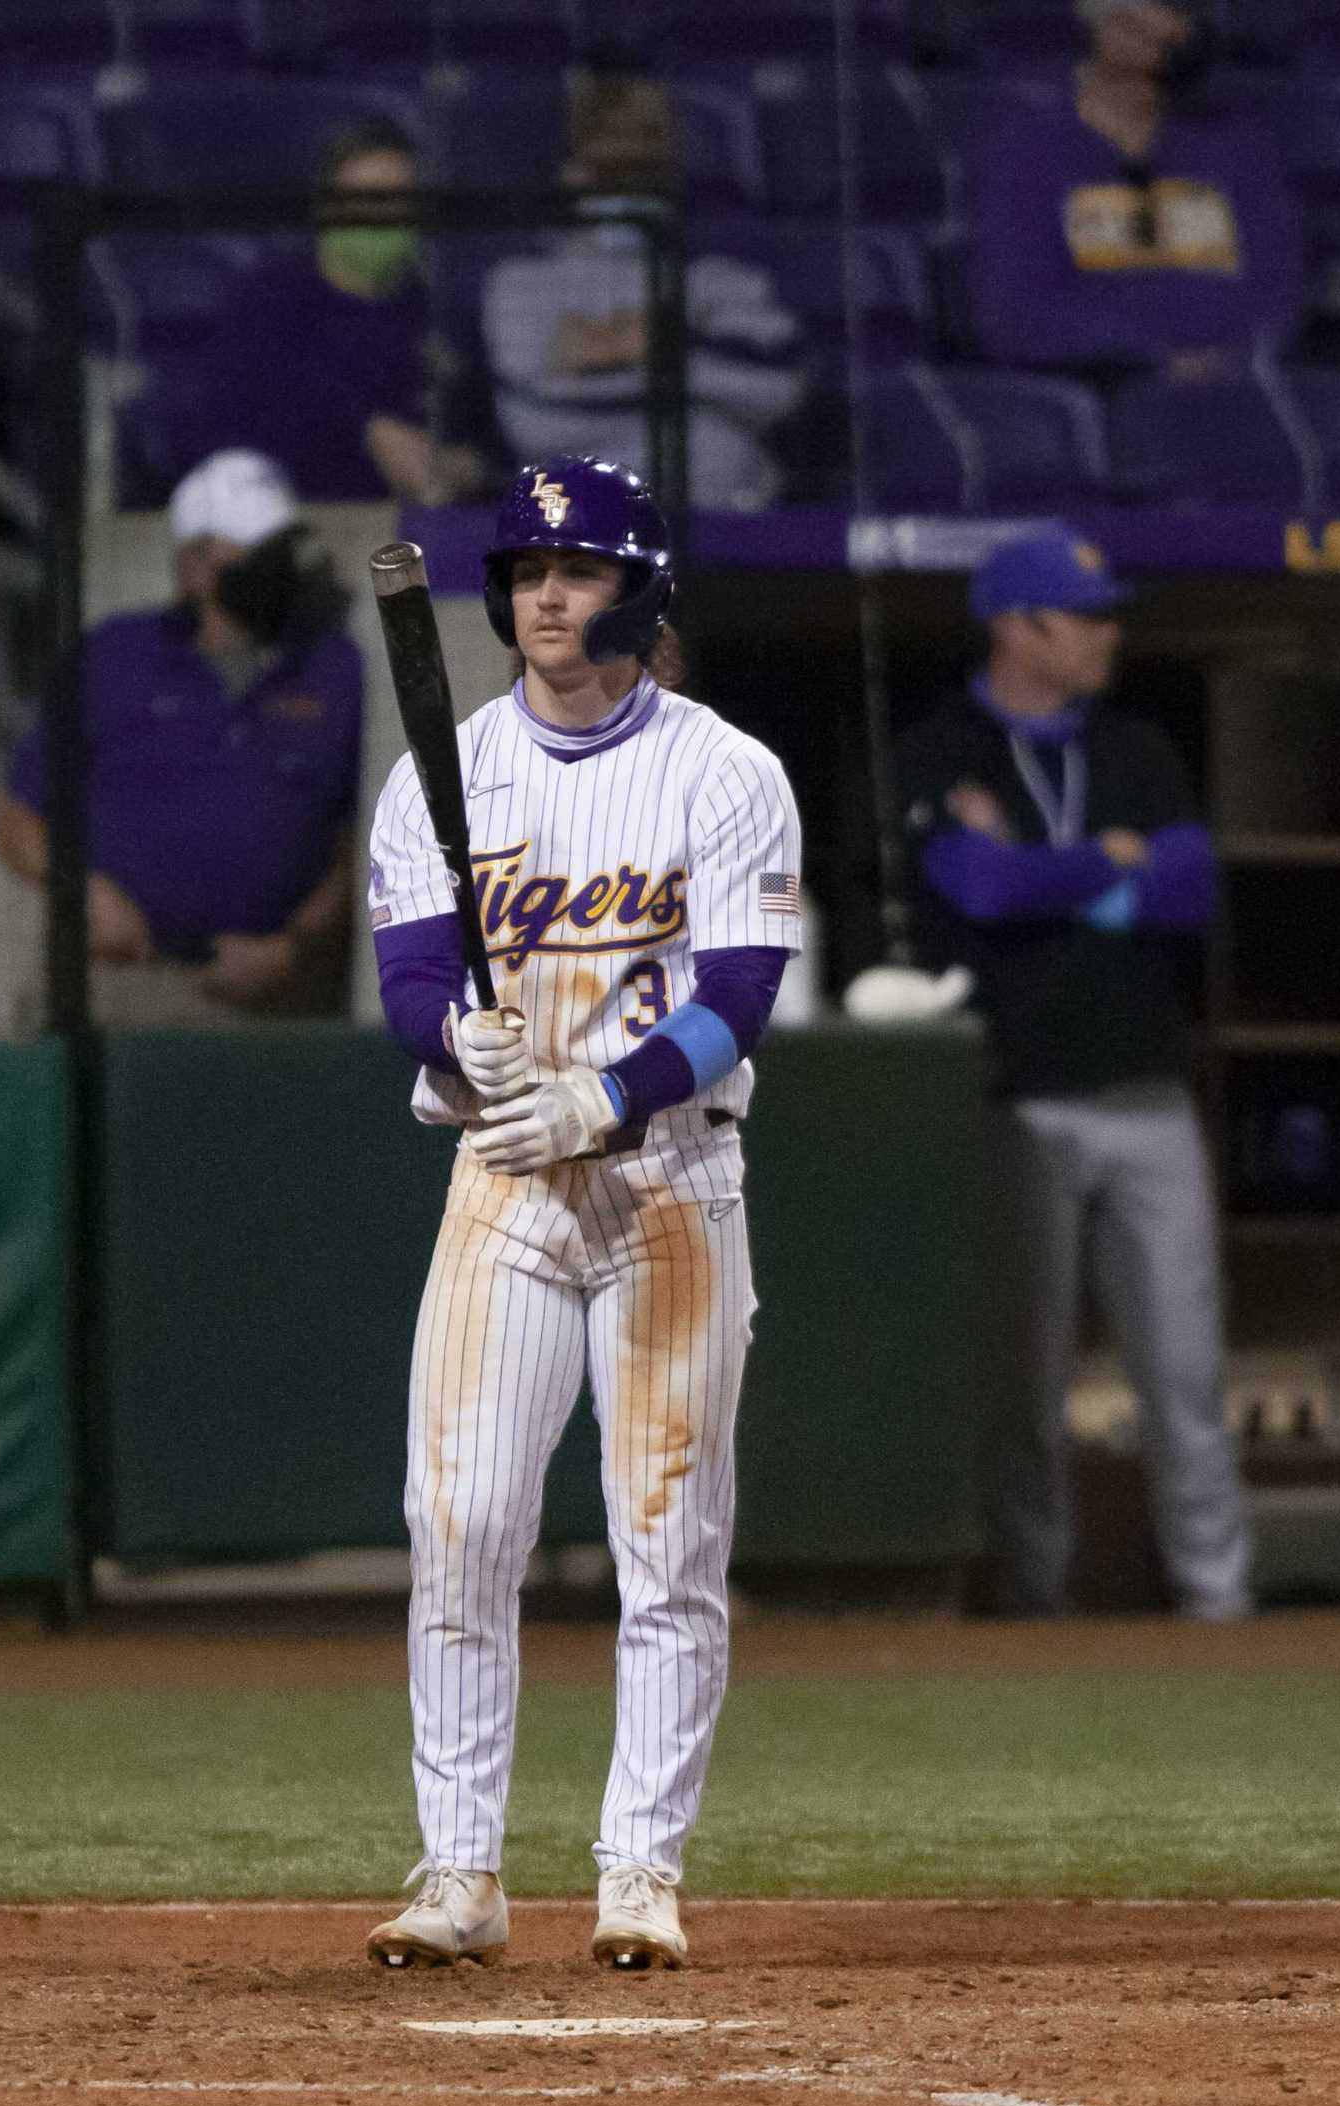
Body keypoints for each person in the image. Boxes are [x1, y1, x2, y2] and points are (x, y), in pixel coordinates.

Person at [362, 457, 802, 1972]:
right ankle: (461, 1874)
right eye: (532, 570)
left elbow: (741, 995)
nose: (549, 594)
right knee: (462, 1521)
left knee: (667, 1541)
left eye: (583, 570)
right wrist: (448, 1042)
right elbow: (415, 975)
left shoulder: (724, 769)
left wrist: (603, 1096)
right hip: (502, 1188)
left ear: (640, 590)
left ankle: (640, 1874)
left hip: (671, 1183)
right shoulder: (449, 769)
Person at [893, 525, 1250, 1621]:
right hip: (1020, 1105)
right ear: (1014, 626)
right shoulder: (942, 747)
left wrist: (1057, 875)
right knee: (1026, 1386)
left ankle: (1218, 1605)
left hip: (1148, 1096)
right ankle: (1029, 1609)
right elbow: (979, 889)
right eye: (1083, 616)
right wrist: (1111, 866)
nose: (1108, 633)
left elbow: (1190, 887)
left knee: (1185, 1377)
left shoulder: (1138, 745)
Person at [0, 448, 363, 1023]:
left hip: (271, 999)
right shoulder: (114, 655)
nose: (275, 562)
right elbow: (18, 821)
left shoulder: (335, 669)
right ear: (194, 567)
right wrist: (82, 893)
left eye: (279, 544)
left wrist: (294, 948)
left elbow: (354, 843)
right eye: (252, 548)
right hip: (118, 981)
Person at [481, 75, 809, 512]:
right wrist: (700, 370)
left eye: (646, 172)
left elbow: (781, 389)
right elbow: (536, 418)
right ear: (573, 175)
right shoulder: (519, 286)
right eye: (613, 173)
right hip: (581, 529)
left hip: (728, 523)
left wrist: (653, 342)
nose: (630, 189)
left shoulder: (723, 280)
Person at [966, 0, 1303, 378]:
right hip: (1094, 389)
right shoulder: (1027, 150)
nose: (1161, 29)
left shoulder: (1237, 145)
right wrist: (1147, 359)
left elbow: (1275, 291)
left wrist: (1226, 363)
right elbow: (1015, 313)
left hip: (1229, 392)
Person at [168, 121, 488, 506]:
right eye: (365, 198)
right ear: (326, 205)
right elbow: (230, 431)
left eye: (398, 198)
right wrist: (368, 433)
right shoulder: (267, 299)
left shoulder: (439, 316)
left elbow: (486, 447)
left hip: (416, 527)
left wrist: (451, 467)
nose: (381, 215)